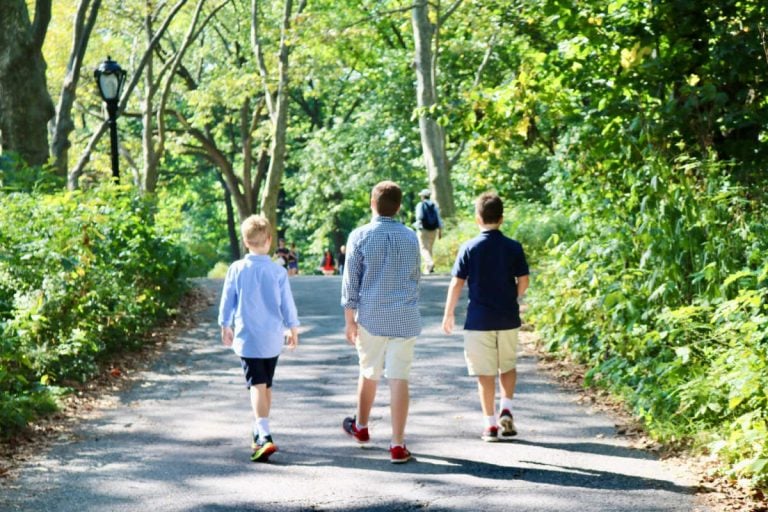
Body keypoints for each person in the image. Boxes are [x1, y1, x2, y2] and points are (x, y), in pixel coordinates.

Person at [341, 180, 421, 464]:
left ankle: (361, 428)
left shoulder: (359, 235)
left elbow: (351, 282)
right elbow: (415, 277)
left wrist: (349, 320)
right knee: (399, 377)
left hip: (371, 316)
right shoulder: (411, 237)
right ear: (398, 207)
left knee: (368, 371)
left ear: (372, 203)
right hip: (405, 317)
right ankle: (397, 444)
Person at [441, 192, 529, 442]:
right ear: (501, 219)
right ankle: (507, 408)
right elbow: (524, 280)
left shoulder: (469, 247)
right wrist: (512, 297)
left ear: (477, 218)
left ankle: (490, 425)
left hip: (479, 320)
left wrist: (449, 313)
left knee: (485, 374)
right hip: (508, 318)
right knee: (507, 365)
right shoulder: (513, 247)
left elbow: (457, 283)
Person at [218, 215, 300, 462]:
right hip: (272, 338)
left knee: (257, 384)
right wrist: (293, 328)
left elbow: (228, 299)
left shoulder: (237, 269)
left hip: (249, 338)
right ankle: (259, 429)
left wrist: (225, 324)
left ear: (245, 242)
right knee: (266, 385)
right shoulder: (278, 271)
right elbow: (287, 303)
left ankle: (264, 434)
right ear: (270, 240)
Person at [414, 188, 443, 274]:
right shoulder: (434, 206)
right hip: (433, 230)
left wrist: (416, 227)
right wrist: (440, 231)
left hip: (423, 229)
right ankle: (428, 269)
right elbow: (439, 219)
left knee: (422, 248)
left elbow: (419, 217)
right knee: (429, 248)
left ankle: (430, 263)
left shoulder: (420, 205)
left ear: (423, 197)